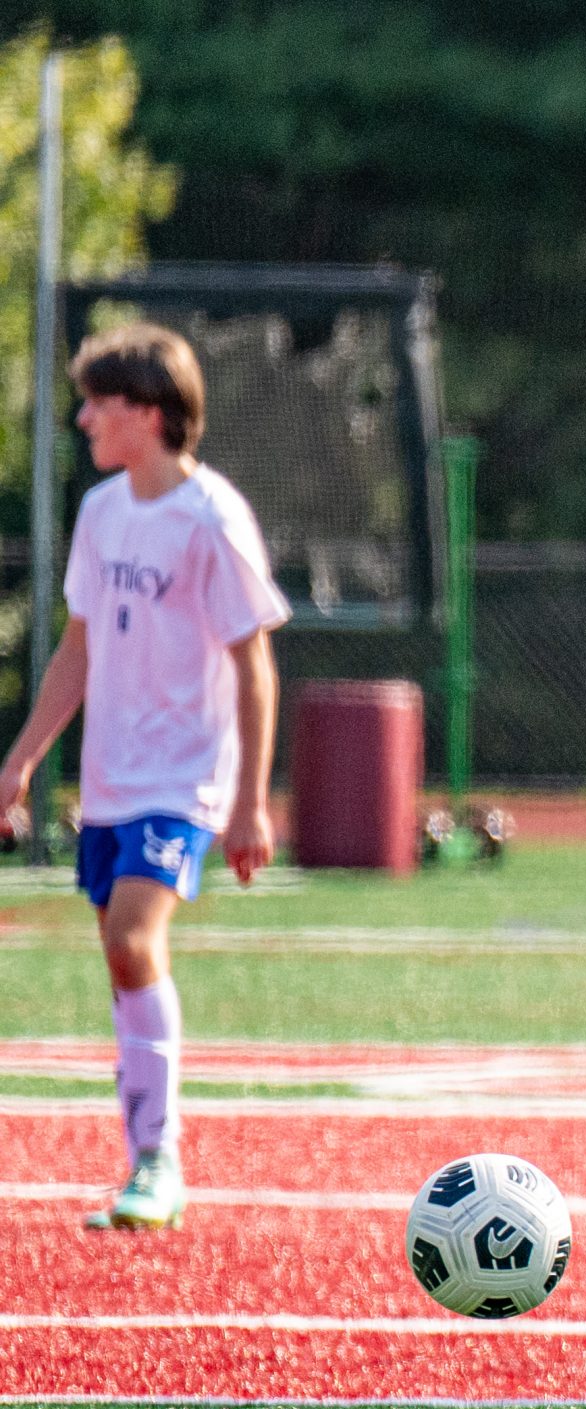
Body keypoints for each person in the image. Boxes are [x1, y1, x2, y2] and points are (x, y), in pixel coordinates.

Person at [0, 322, 291, 1231]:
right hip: (113, 775)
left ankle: (160, 1159)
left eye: (100, 402)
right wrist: (19, 761)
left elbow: (253, 663)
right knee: (122, 964)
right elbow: (77, 652)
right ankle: (143, 1163)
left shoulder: (212, 518)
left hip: (187, 777)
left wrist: (248, 803)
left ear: (152, 413)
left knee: (133, 936)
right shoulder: (102, 512)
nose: (83, 415)